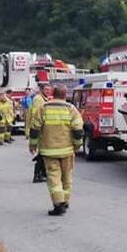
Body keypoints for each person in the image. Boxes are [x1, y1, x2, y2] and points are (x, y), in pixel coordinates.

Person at [28, 85, 84, 216]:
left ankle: (58, 205)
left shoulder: (43, 108)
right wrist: (77, 145)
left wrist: (33, 145)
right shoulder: (71, 109)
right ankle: (65, 202)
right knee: (67, 177)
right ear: (65, 95)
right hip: (67, 151)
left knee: (54, 178)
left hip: (49, 150)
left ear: (53, 93)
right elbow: (78, 131)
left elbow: (35, 128)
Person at [27, 83, 51, 183]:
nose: (48, 91)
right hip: (39, 130)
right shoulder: (38, 100)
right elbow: (37, 116)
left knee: (43, 153)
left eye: (49, 89)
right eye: (46, 89)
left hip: (41, 130)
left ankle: (42, 174)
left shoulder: (43, 99)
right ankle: (37, 175)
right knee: (42, 153)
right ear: (41, 90)